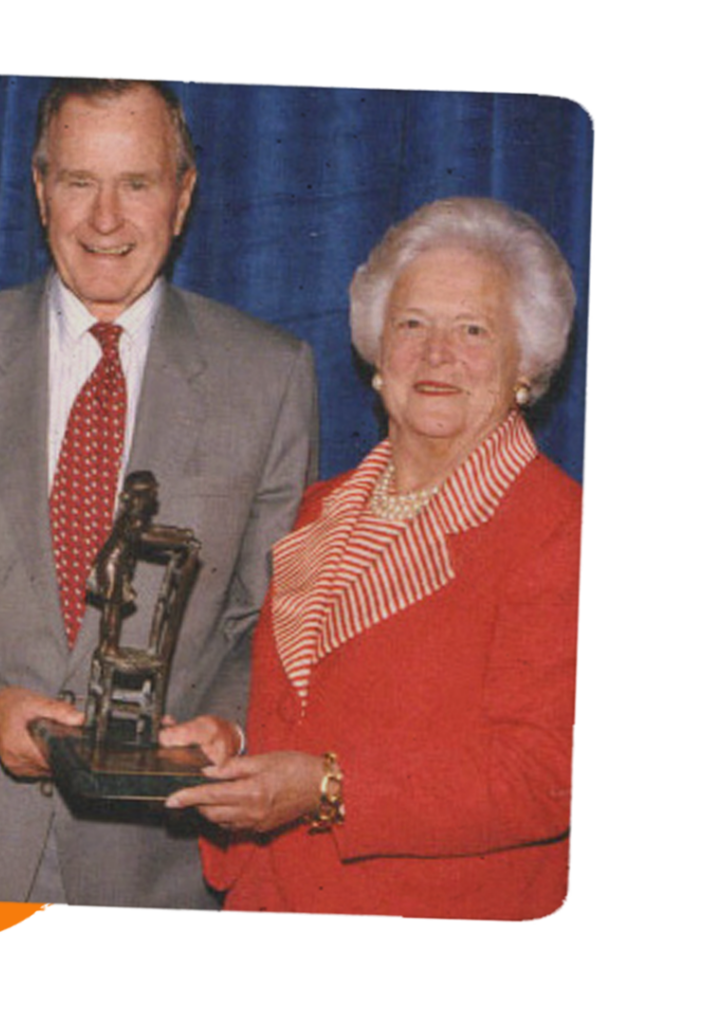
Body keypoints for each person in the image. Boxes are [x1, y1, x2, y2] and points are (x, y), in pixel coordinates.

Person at [0, 76, 318, 912]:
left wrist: (230, 728)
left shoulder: (269, 376)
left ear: (184, 194)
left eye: (137, 183)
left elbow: (272, 615)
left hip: (153, 868)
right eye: (80, 181)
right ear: (40, 187)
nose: (105, 220)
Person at [167, 197, 584, 921]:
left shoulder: (558, 529)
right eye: (412, 323)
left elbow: (542, 778)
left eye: (474, 330)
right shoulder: (321, 507)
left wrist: (329, 788)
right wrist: (231, 739)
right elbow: (302, 703)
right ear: (377, 351)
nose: (436, 353)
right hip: (270, 896)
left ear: (528, 363)